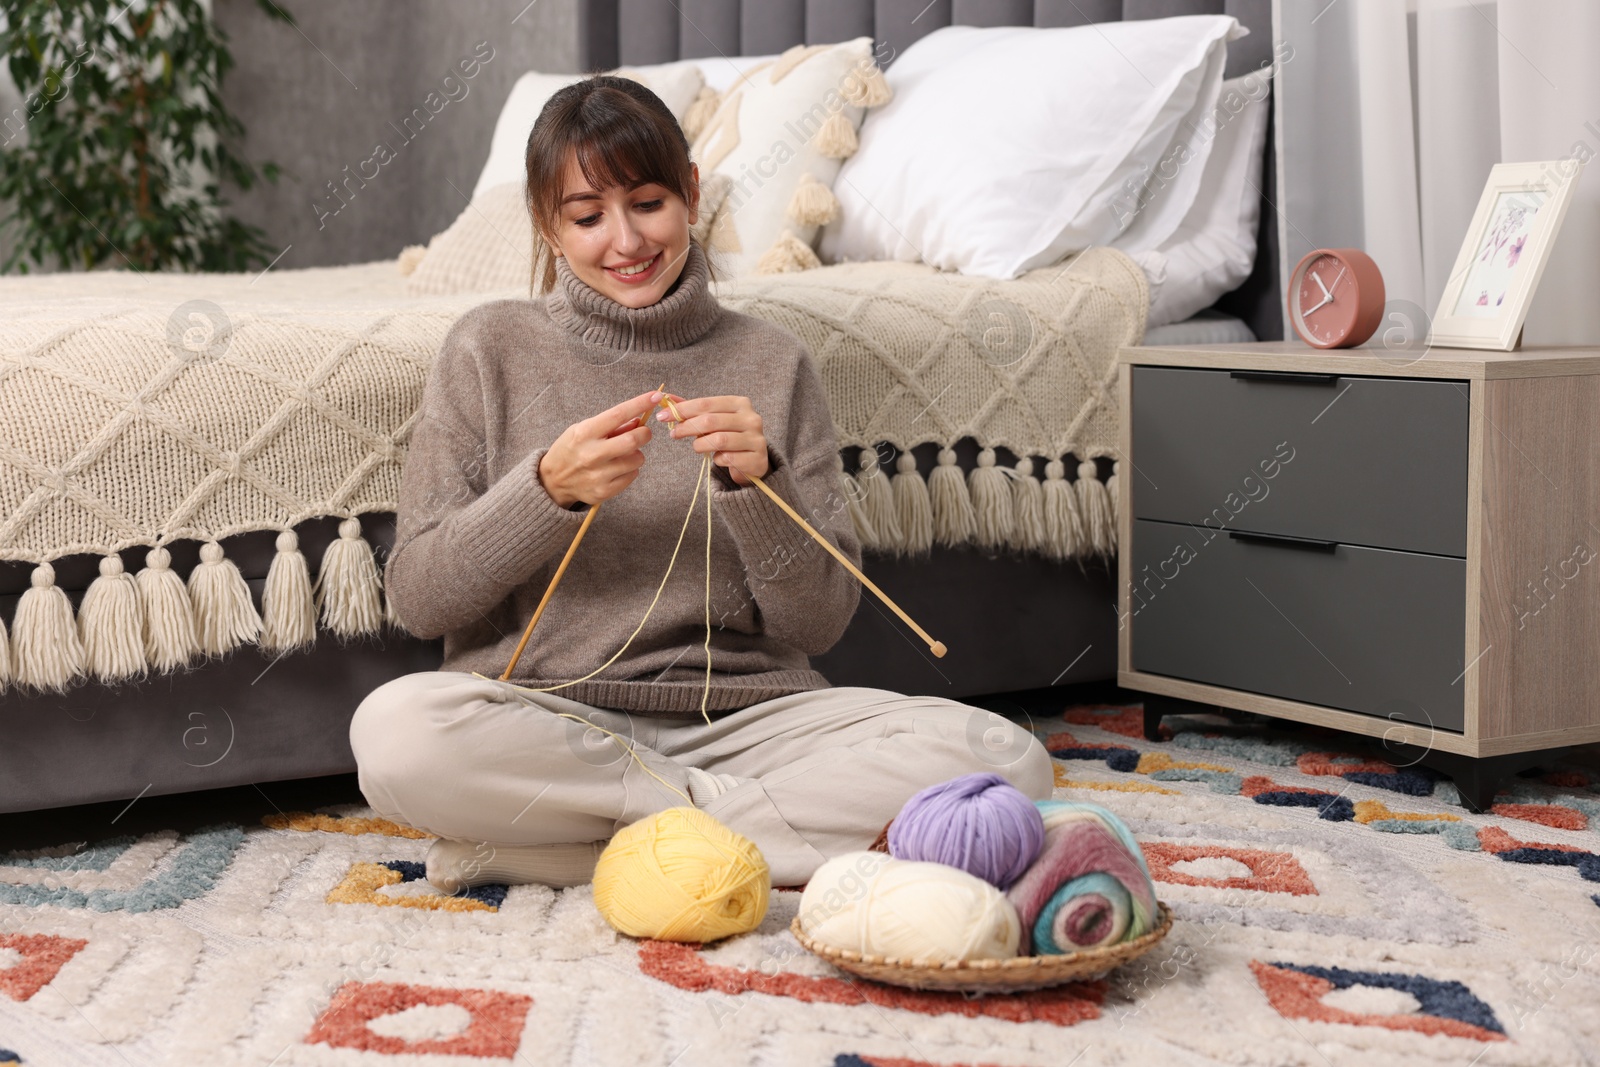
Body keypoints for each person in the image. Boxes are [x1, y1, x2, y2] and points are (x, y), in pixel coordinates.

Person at [349, 75, 1052, 893]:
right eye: (586, 217)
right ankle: (729, 829)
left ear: (689, 194)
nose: (624, 241)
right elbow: (421, 599)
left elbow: (819, 622)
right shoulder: (486, 348)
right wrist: (544, 492)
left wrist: (759, 493)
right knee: (396, 734)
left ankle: (588, 846)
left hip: (751, 723)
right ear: (549, 226)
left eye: (647, 203)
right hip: (549, 718)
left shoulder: (773, 362)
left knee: (1010, 759)